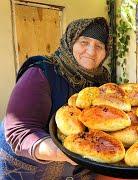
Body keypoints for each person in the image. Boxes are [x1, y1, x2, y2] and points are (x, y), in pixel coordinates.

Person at [0, 17, 110, 179]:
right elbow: (19, 131)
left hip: (73, 171)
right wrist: (67, 153)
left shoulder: (101, 82)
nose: (91, 51)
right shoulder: (41, 73)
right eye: (84, 42)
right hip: (27, 169)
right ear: (70, 42)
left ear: (105, 53)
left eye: (99, 46)